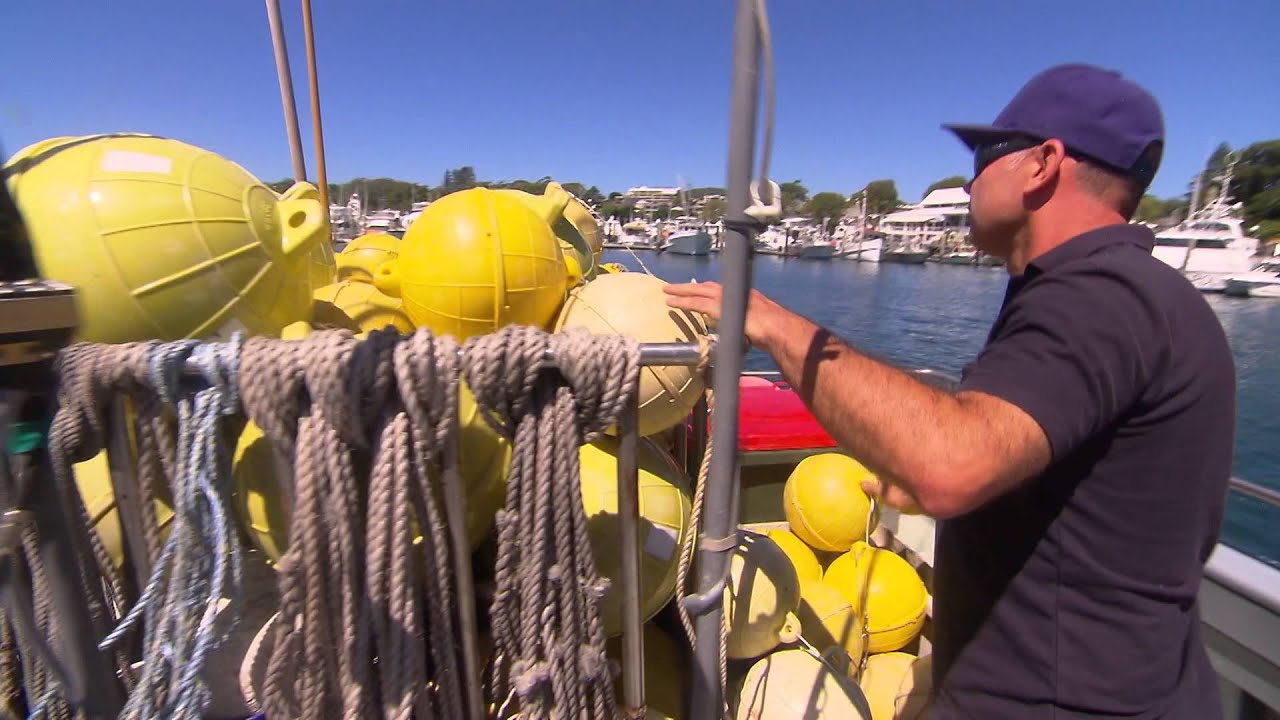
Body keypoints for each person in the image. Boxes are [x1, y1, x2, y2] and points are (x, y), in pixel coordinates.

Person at [665, 63, 1234, 719]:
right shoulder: (1142, 296)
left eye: (987, 154)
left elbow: (951, 463)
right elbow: (1084, 480)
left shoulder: (1099, 298)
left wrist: (777, 324)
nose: (969, 180)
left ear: (1043, 164)